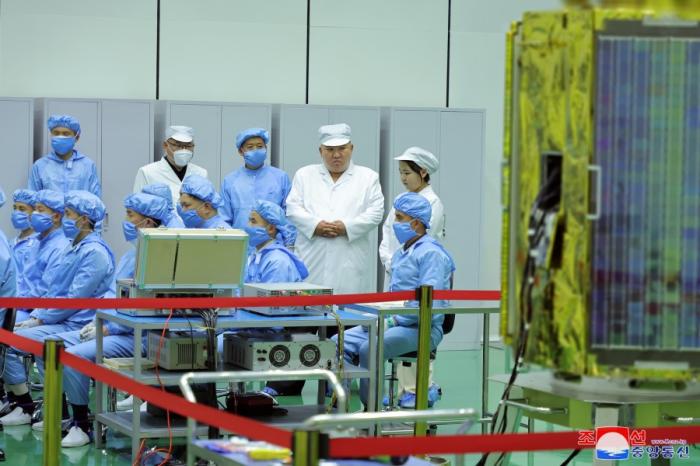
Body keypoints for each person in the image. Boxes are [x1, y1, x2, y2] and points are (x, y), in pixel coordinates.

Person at [29, 192, 169, 447]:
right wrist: (99, 322)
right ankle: (63, 415)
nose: (125, 220)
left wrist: (108, 327)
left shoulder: (158, 256)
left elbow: (143, 305)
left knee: (73, 356)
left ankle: (82, 424)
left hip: (138, 335)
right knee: (47, 345)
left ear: (148, 222)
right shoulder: (133, 254)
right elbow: (112, 295)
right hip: (114, 327)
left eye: (130, 215)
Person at [0, 191, 115, 428]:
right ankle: (53, 410)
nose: (65, 219)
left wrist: (40, 319)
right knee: (12, 340)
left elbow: (74, 298)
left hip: (77, 323)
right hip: (61, 318)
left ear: (84, 219)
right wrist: (38, 315)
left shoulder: (94, 252)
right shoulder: (74, 246)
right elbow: (54, 290)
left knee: (35, 345)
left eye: (69, 214)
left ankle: (73, 418)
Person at [334, 192, 455, 406]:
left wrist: (395, 320)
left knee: (370, 348)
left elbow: (430, 303)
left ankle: (370, 410)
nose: (395, 222)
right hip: (393, 322)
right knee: (337, 342)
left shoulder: (432, 254)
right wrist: (385, 317)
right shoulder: (402, 252)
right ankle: (339, 405)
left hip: (422, 327)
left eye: (399, 217)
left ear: (416, 223)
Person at [377, 147, 445, 408]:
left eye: (407, 173)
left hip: (417, 277)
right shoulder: (402, 200)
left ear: (423, 172)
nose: (403, 178)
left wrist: (403, 264)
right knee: (397, 336)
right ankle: (402, 390)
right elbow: (387, 234)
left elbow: (424, 240)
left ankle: (420, 390)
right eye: (401, 173)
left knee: (417, 332)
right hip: (396, 273)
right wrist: (392, 262)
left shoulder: (432, 203)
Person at [286, 123, 384, 294]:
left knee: (349, 306)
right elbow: (293, 208)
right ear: (320, 151)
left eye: (342, 148)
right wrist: (315, 225)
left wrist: (346, 227)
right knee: (309, 304)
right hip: (312, 256)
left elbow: (376, 213)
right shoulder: (304, 175)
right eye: (330, 150)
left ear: (351, 148)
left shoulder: (368, 177)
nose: (336, 155)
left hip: (350, 259)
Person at [221, 128, 294, 242]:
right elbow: (224, 218)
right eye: (250, 147)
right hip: (240, 244)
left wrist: (287, 243)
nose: (255, 150)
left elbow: (288, 216)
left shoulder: (280, 177)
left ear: (266, 148)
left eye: (260, 146)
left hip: (272, 244)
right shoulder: (230, 181)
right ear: (241, 151)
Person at [20, 190, 71, 323]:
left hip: (33, 311)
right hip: (21, 304)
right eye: (34, 209)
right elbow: (23, 278)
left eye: (40, 210)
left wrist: (17, 303)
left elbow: (45, 290)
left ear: (56, 216)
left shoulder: (60, 247)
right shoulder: (37, 241)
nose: (34, 214)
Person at [133, 126, 208, 208]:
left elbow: (205, 206)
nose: (183, 150)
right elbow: (137, 207)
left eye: (188, 146)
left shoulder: (201, 173)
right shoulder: (147, 172)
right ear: (165, 145)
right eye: (178, 145)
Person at [28, 115, 101, 197]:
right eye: (56, 133)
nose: (60, 136)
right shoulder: (40, 166)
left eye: (66, 134)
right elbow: (32, 199)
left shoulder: (88, 165)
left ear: (76, 138)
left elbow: (95, 200)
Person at [10, 190, 38, 304]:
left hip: (25, 305)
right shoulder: (11, 243)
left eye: (22, 209)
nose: (16, 213)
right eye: (15, 208)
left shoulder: (38, 244)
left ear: (35, 212)